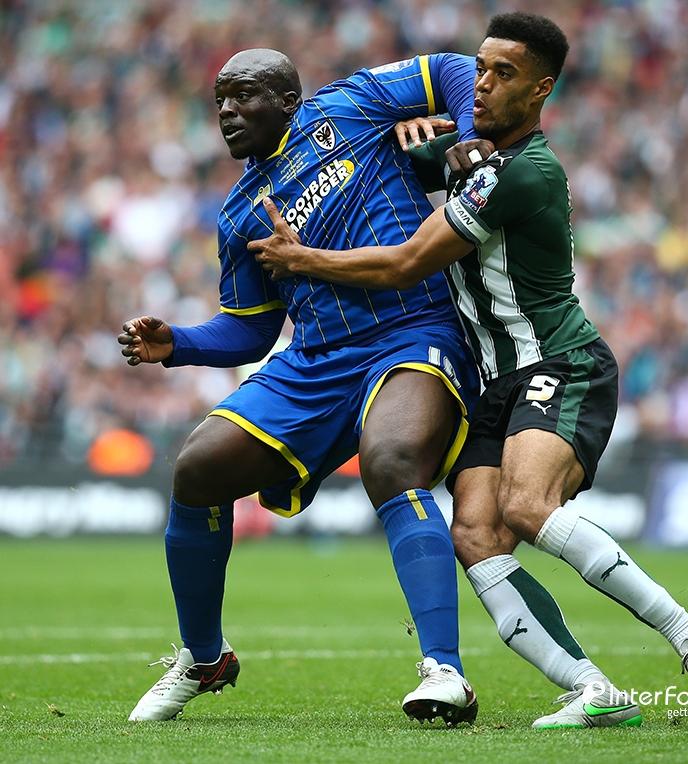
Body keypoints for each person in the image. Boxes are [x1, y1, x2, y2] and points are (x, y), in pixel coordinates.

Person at [248, 12, 688, 729]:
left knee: (524, 505)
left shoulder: (526, 172)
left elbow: (406, 262)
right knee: (475, 533)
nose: (481, 84)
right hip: (495, 384)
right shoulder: (469, 153)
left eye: (503, 74)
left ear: (541, 90)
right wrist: (391, 138)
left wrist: (304, 260)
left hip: (560, 364)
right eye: (479, 68)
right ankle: (591, 689)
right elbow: (371, 164)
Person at [120, 48, 483, 725]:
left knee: (392, 460)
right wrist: (178, 345)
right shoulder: (238, 215)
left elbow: (458, 71)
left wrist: (466, 138)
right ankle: (204, 657)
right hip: (316, 357)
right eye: (220, 100)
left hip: (410, 327)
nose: (227, 112)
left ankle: (445, 671)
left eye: (244, 96)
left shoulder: (351, 106)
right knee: (197, 469)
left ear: (289, 98)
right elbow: (252, 332)